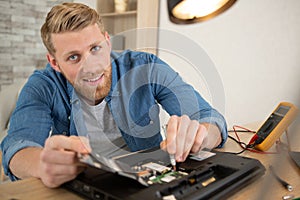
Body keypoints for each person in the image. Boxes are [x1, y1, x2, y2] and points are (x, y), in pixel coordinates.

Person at [0, 2, 227, 188]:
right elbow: (17, 146)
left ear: (108, 43)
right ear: (54, 62)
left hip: (148, 183)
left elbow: (210, 118)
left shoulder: (145, 67)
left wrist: (200, 136)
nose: (90, 67)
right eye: (73, 57)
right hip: (83, 187)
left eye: (95, 49)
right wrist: (41, 163)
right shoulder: (43, 85)